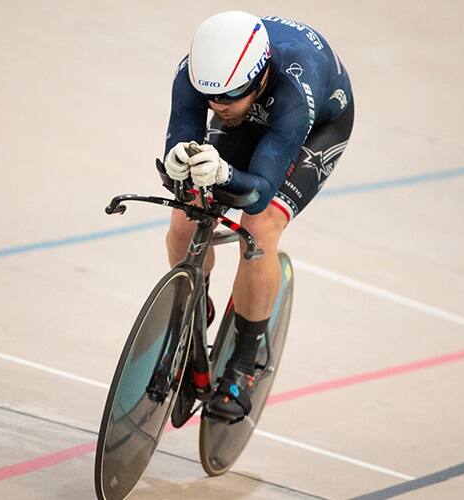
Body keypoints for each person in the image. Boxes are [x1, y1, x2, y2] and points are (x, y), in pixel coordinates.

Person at [164, 11, 354, 423]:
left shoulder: (293, 93)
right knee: (186, 215)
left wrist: (225, 174)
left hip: (318, 125)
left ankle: (243, 364)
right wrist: (178, 159)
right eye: (210, 97)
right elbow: (182, 131)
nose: (217, 106)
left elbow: (257, 193)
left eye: (229, 97)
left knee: (260, 227)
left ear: (261, 76)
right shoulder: (198, 75)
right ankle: (197, 310)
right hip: (254, 115)